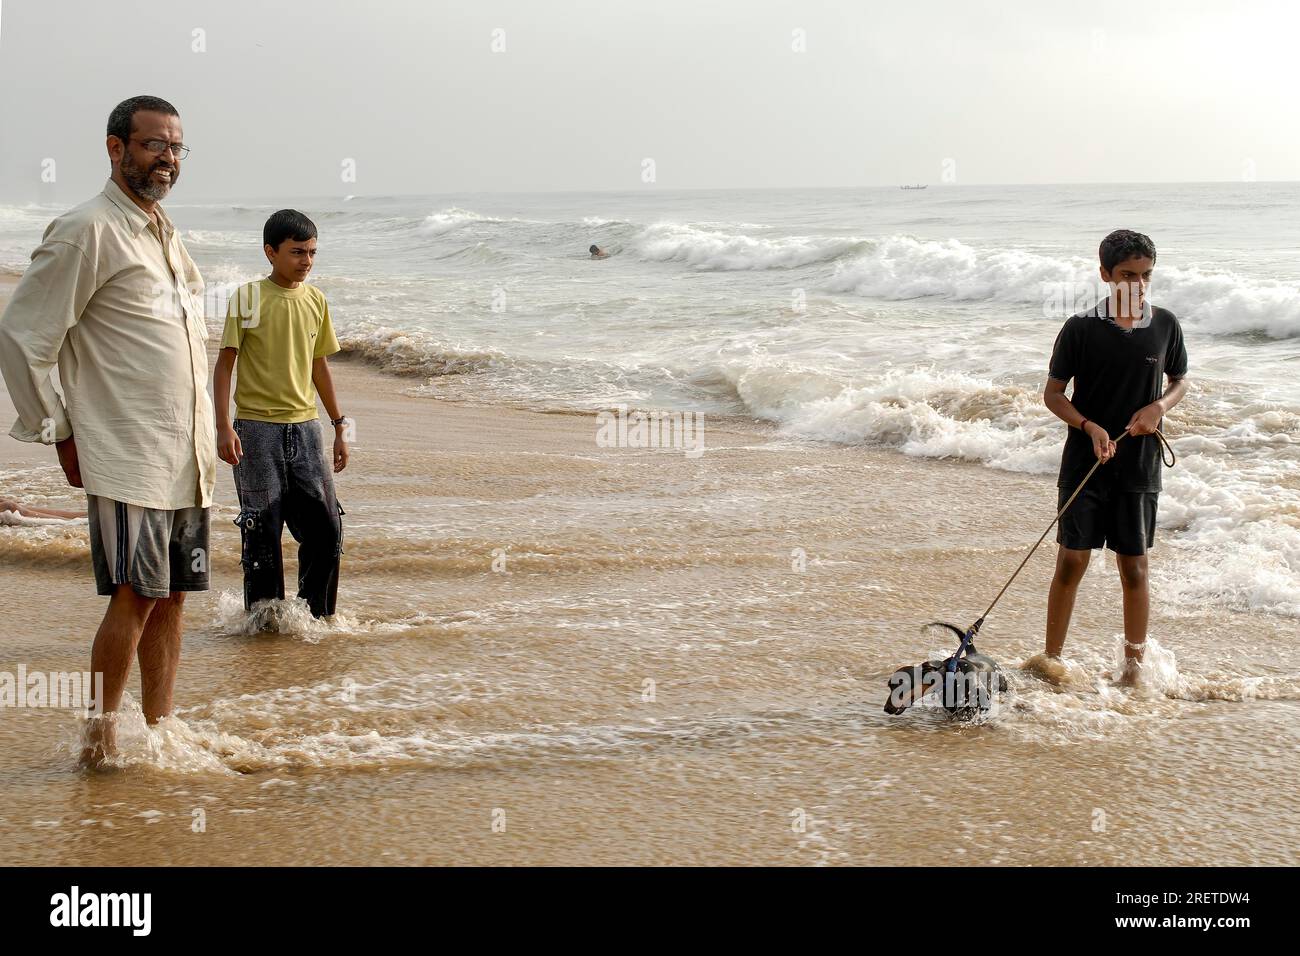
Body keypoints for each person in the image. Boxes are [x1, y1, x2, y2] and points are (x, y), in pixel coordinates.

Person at [0, 95, 214, 765]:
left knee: (174, 593)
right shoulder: (87, 228)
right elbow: (20, 335)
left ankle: (160, 732)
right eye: (155, 144)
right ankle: (99, 742)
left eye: (177, 147)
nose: (168, 159)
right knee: (137, 591)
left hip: (186, 454)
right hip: (127, 449)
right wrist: (56, 429)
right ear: (116, 147)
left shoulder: (162, 230)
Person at [1039, 229, 1188, 684]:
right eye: (1127, 275)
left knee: (1134, 567)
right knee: (1071, 561)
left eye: (1146, 276)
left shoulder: (1165, 324)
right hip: (1086, 461)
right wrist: (1088, 426)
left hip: (1139, 464)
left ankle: (1133, 671)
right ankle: (1052, 662)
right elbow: (1053, 394)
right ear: (1104, 274)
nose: (1137, 285)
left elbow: (1180, 379)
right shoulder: (1081, 328)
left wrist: (1159, 406)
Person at [213, 209, 348, 622]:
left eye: (311, 252)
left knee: (326, 530)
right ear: (270, 252)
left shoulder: (315, 300)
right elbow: (225, 364)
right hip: (255, 430)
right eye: (296, 252)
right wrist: (222, 426)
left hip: (306, 429)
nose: (306, 261)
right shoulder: (249, 298)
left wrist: (339, 425)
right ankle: (264, 622)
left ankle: (315, 619)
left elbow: (318, 365)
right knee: (262, 530)